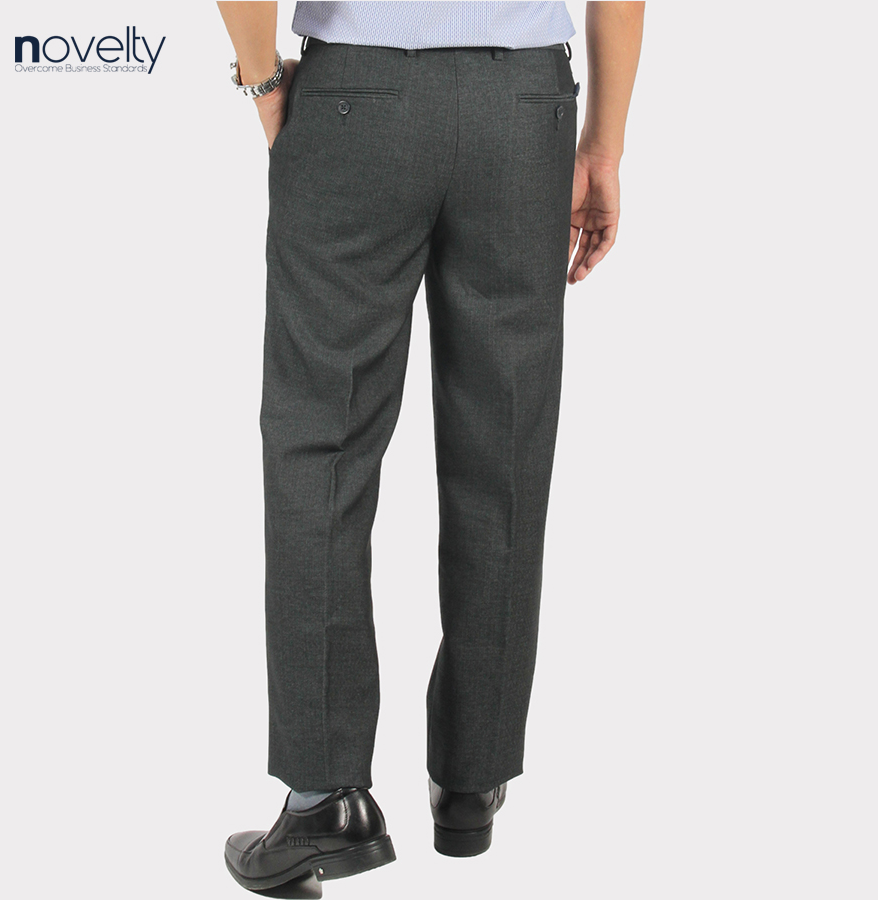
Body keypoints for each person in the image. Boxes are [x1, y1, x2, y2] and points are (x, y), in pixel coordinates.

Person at [216, 1, 644, 891]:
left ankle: (323, 798)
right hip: (525, 107)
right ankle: (473, 776)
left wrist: (262, 82)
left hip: (356, 99)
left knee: (319, 442)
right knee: (507, 439)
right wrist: (602, 146)